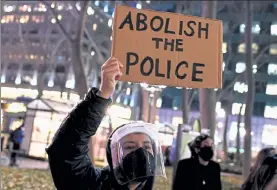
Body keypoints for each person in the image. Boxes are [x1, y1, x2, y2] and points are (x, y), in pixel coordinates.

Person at [46, 57, 166, 190]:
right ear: (113, 155)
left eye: (147, 147)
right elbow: (65, 151)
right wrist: (102, 95)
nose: (141, 153)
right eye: (130, 147)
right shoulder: (92, 184)